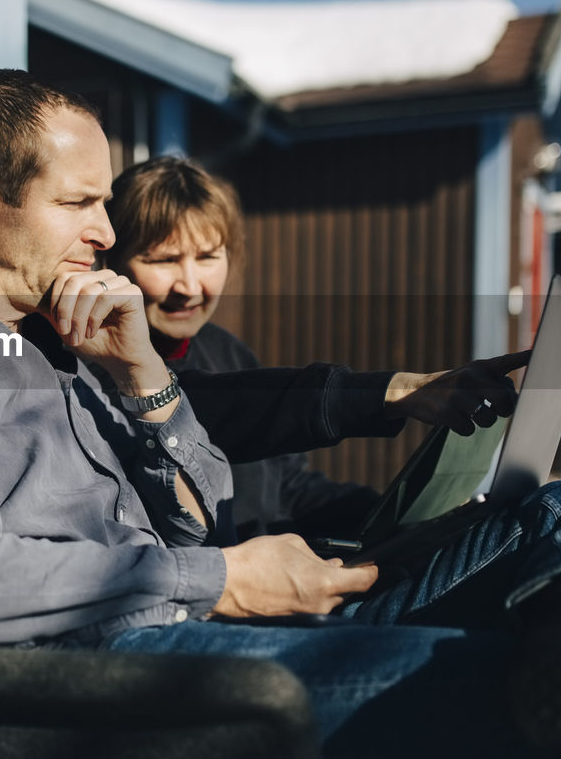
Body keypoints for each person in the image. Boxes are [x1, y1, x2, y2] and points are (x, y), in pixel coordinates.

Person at [0, 69, 561, 759]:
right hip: (107, 684)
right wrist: (215, 581)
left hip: (215, 636)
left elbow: (204, 512)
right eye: (78, 202)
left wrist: (146, 375)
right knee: (508, 685)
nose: (105, 232)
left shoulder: (65, 354)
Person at [103, 156, 379, 543]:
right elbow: (211, 406)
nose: (190, 287)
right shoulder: (101, 370)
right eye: (164, 260)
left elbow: (288, 488)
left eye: (207, 257)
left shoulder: (227, 350)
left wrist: (388, 512)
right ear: (111, 260)